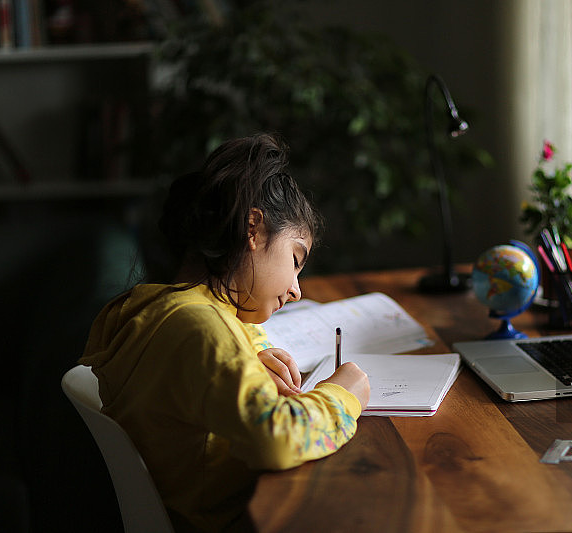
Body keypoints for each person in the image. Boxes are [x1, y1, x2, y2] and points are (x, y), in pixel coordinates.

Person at [79, 133, 370, 532]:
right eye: (295, 260)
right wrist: (343, 395)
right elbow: (274, 439)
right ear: (253, 228)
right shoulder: (204, 329)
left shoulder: (159, 309)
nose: (296, 290)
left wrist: (252, 357)